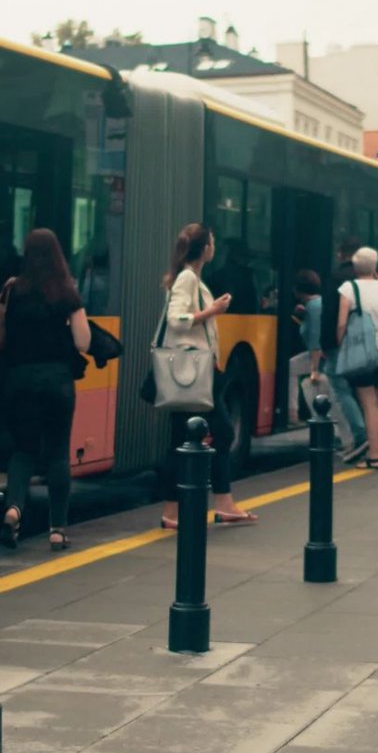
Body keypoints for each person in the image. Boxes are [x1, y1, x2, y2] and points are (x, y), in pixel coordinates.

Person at [157, 224, 258, 528]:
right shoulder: (188, 278)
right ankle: (218, 504)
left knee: (183, 438)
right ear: (205, 249)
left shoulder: (190, 277)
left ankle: (175, 511)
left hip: (196, 369)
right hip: (192, 371)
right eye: (212, 242)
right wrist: (213, 310)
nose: (214, 247)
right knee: (223, 432)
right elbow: (177, 320)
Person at [0, 228, 89, 552]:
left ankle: (13, 509)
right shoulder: (66, 291)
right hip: (57, 382)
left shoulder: (13, 289)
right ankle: (58, 529)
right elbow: (84, 341)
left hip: (19, 381)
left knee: (23, 451)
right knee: (57, 452)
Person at [337, 246, 378, 469]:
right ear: (374, 266)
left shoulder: (348, 288)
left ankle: (373, 456)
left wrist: (341, 344)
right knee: (377, 401)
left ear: (355, 267)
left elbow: (342, 322)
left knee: (368, 404)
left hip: (362, 351)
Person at [296, 269, 368, 463]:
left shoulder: (316, 305)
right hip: (341, 355)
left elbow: (316, 341)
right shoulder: (323, 303)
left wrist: (314, 369)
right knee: (341, 396)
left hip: (329, 356)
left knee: (336, 394)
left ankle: (293, 412)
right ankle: (353, 440)